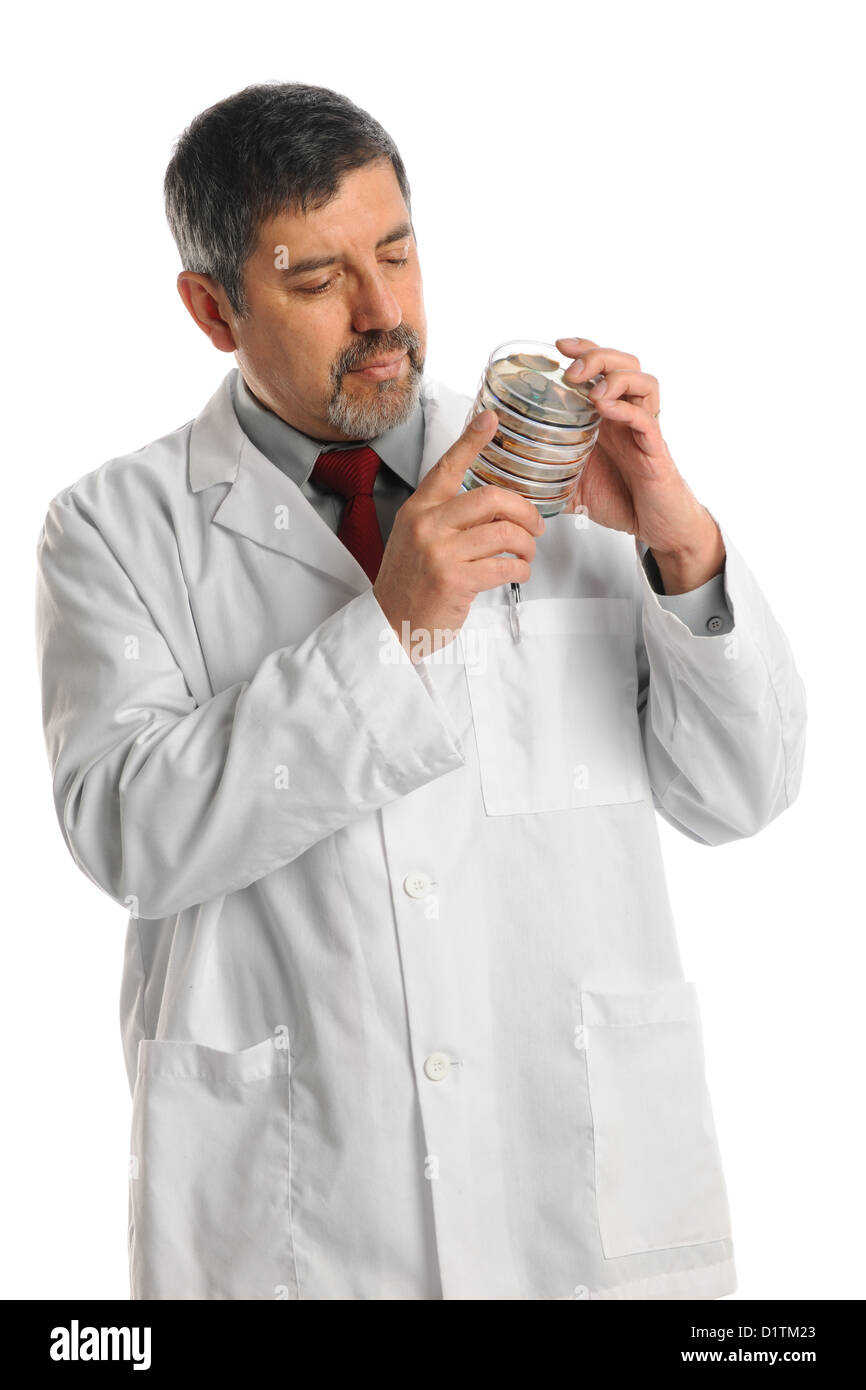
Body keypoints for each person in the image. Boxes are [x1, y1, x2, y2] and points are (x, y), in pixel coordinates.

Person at [34, 80, 807, 1302]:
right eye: (316, 278)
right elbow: (132, 834)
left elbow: (742, 791)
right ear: (209, 307)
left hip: (577, 1202)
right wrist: (391, 629)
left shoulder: (556, 472)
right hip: (300, 1221)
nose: (384, 311)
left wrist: (678, 546)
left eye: (397, 252)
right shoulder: (116, 529)